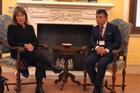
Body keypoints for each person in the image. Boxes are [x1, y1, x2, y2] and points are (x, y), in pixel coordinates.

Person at [7, 6, 62, 93]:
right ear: (15, 17)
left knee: (40, 63)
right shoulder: (11, 27)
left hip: (30, 53)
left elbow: (35, 41)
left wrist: (32, 45)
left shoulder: (30, 27)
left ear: (25, 16)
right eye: (18, 16)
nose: (21, 18)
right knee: (36, 55)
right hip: (18, 53)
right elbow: (11, 42)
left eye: (22, 15)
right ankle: (51, 66)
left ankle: (39, 87)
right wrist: (25, 45)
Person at [86, 9, 122, 93]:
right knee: (88, 61)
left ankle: (97, 88)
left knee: (102, 63)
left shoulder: (113, 28)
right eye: (96, 17)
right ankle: (97, 84)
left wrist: (106, 49)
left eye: (100, 17)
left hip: (109, 53)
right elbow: (91, 41)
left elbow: (118, 42)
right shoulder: (95, 29)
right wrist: (97, 47)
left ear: (106, 18)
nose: (98, 19)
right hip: (97, 51)